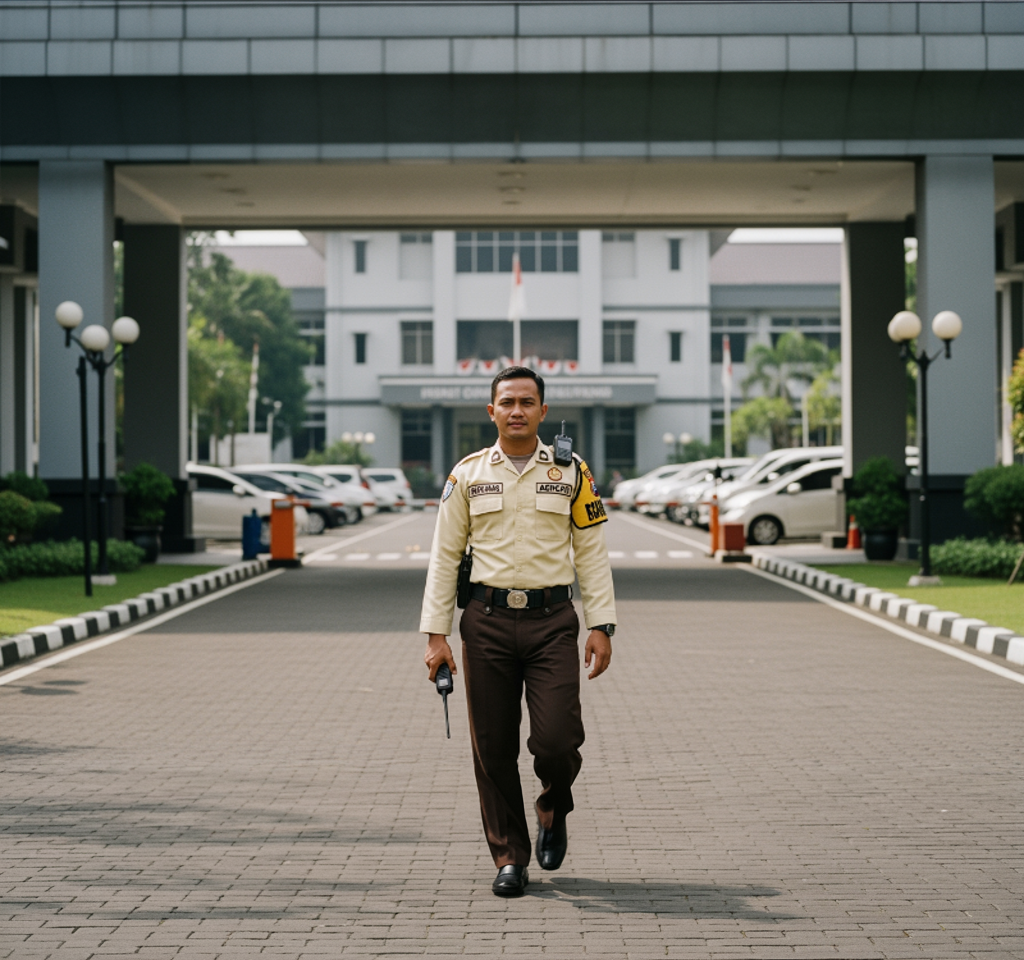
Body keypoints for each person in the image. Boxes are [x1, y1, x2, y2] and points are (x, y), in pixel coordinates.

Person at [420, 366, 617, 897]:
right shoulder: (467, 475)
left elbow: (592, 552)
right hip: (483, 623)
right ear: (491, 411)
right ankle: (510, 856)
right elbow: (444, 557)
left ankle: (553, 808)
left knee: (556, 740)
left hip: (553, 622)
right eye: (506, 402)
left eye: (527, 402)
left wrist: (602, 625)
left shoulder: (572, 473)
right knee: (493, 746)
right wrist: (435, 636)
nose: (516, 411)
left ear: (542, 411)